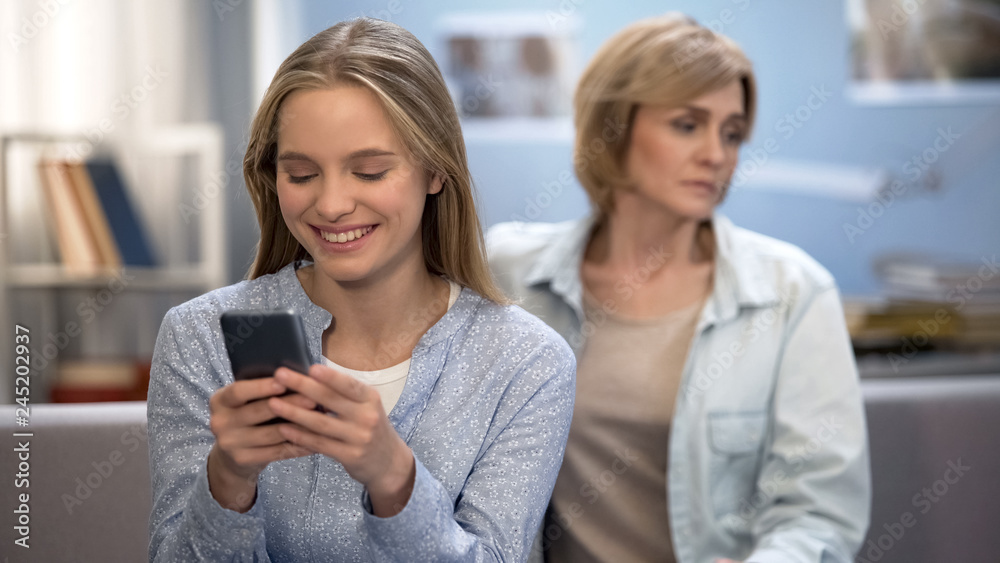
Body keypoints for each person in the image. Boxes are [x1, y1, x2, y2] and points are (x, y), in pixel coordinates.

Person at [147, 18, 575, 562]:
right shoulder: (199, 337)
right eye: (301, 175)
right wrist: (228, 478)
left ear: (436, 170)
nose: (330, 206)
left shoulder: (527, 362)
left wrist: (394, 478)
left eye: (369, 172)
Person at [488, 13, 871, 563]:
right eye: (688, 125)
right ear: (614, 128)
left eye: (731, 133)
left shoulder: (793, 292)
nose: (717, 154)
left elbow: (819, 511)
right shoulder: (507, 272)